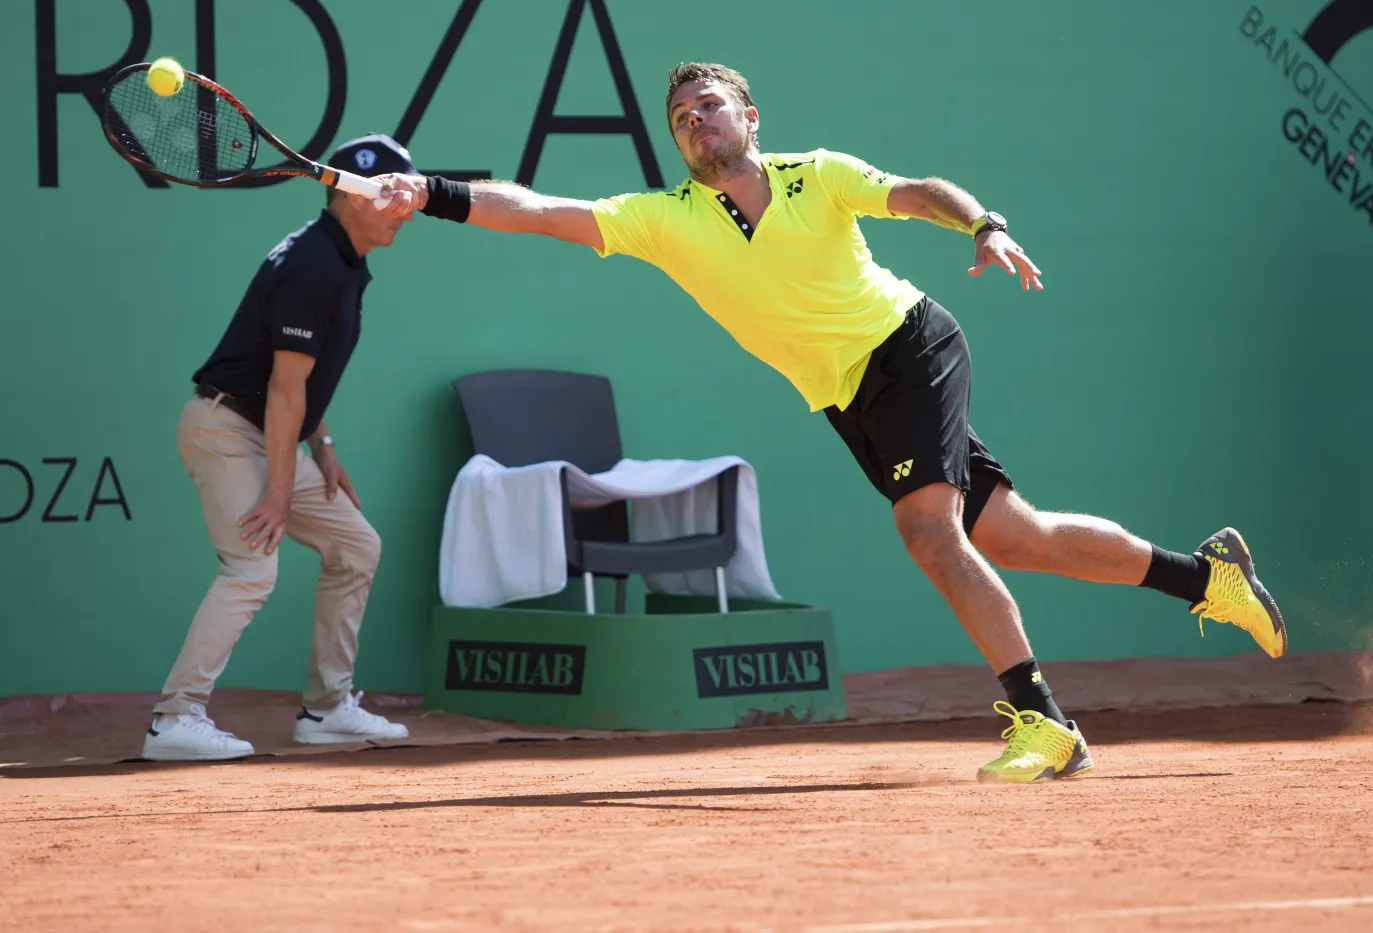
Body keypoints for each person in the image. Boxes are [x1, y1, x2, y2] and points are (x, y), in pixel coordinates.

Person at [370, 64, 1287, 783]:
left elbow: (921, 191)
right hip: (848, 397)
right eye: (682, 118)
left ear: (750, 118)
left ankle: (1046, 721)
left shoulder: (822, 176)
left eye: (710, 106)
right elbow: (538, 211)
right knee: (1015, 534)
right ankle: (1206, 577)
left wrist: (982, 224)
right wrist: (433, 193)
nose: (696, 122)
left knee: (926, 529)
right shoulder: (662, 219)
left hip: (910, 344)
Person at [142, 133, 416, 761]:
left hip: (274, 432)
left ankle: (326, 710)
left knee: (356, 546)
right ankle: (173, 719)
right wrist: (277, 490)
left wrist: (323, 442)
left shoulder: (341, 260)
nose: (406, 206)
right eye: (392, 194)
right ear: (353, 196)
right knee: (251, 569)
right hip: (229, 429)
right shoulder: (311, 265)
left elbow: (303, 384)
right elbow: (283, 384)